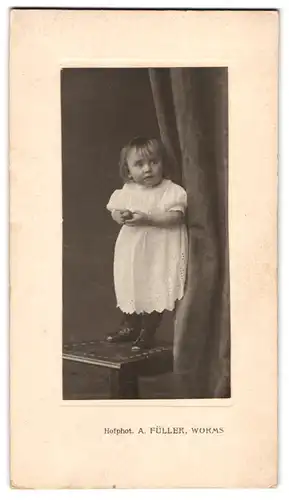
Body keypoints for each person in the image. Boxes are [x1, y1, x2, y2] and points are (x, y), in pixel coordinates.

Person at [106, 136, 188, 350]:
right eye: (139, 164)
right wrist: (120, 216)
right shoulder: (128, 191)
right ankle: (130, 326)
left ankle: (147, 332)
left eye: (153, 162)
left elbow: (176, 217)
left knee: (154, 285)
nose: (148, 169)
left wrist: (148, 219)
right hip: (133, 250)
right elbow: (114, 211)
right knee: (131, 283)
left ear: (163, 163)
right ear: (128, 169)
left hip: (159, 250)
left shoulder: (171, 191)